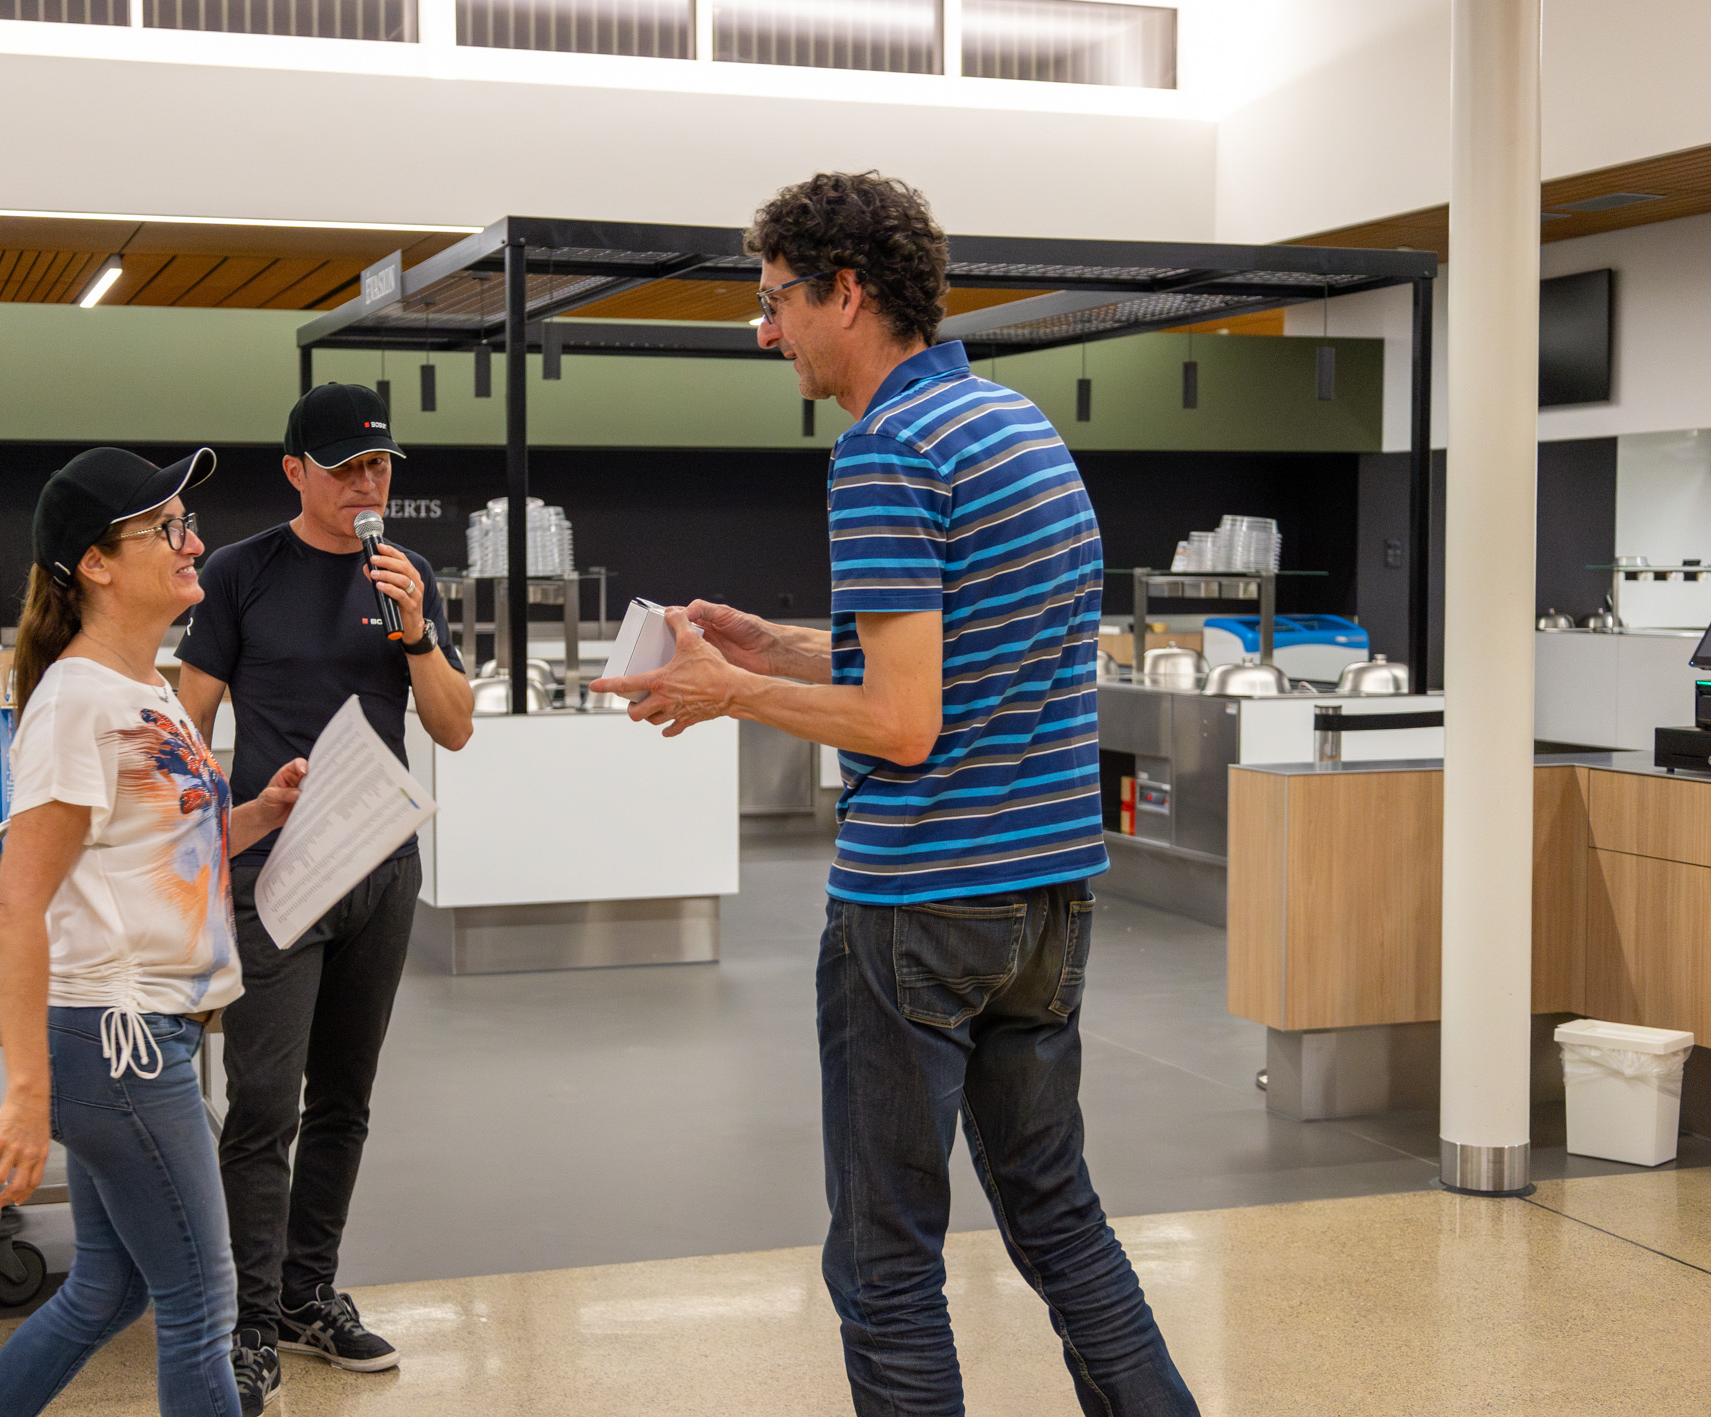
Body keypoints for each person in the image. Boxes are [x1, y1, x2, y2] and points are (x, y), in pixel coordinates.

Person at [592, 172, 1199, 1417]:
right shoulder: (1014, 426)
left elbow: (901, 725)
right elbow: (957, 662)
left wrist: (727, 691)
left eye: (775, 302)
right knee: (1059, 1217)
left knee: (886, 1259)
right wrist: (778, 647)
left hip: (921, 900)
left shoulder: (882, 450)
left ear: (846, 291)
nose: (767, 333)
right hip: (1046, 898)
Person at [0, 446, 310, 1417]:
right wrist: (25, 1090)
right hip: (117, 1039)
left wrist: (260, 814)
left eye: (186, 523)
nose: (193, 542)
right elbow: (16, 899)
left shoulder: (146, 687)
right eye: (165, 528)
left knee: (107, 1289)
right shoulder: (78, 700)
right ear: (97, 564)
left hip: (141, 1033)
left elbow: (151, 847)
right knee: (201, 1305)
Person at [175, 382, 474, 1415]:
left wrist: (418, 632)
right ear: (295, 471)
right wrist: (206, 838)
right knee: (264, 1102)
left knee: (344, 1097)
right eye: (346, 468)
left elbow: (454, 726)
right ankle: (248, 1320)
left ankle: (307, 1294)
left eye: (380, 465)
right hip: (275, 868)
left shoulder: (406, 577)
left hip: (380, 865)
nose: (366, 484)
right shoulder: (239, 572)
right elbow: (187, 725)